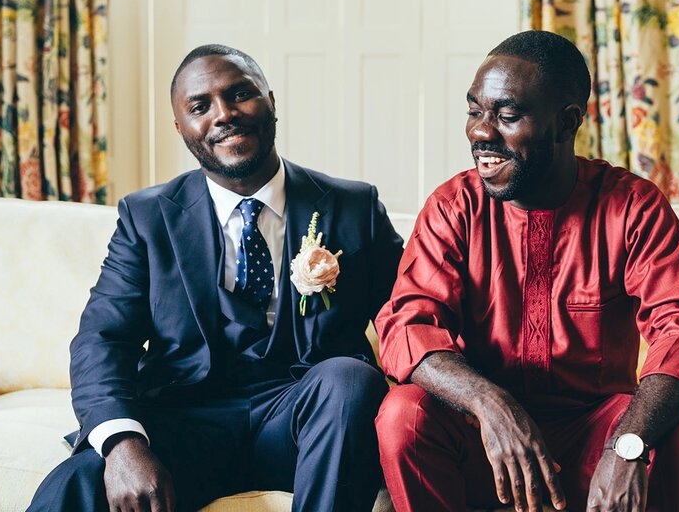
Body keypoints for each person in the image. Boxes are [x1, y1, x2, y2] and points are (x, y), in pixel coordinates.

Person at [27, 44, 405, 512]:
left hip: (308, 424)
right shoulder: (147, 218)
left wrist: (408, 446)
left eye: (240, 94)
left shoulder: (354, 207)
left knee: (348, 377)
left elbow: (408, 321)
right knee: (80, 479)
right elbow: (102, 341)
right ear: (180, 127)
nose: (223, 115)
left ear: (271, 100)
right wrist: (121, 443)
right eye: (200, 106)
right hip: (187, 424)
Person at [375, 30, 679, 512]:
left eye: (507, 115)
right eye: (475, 110)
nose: (480, 131)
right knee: (403, 414)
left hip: (597, 435)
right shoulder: (453, 208)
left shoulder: (633, 206)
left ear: (566, 123)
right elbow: (408, 326)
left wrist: (629, 444)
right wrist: (490, 405)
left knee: (664, 428)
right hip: (482, 443)